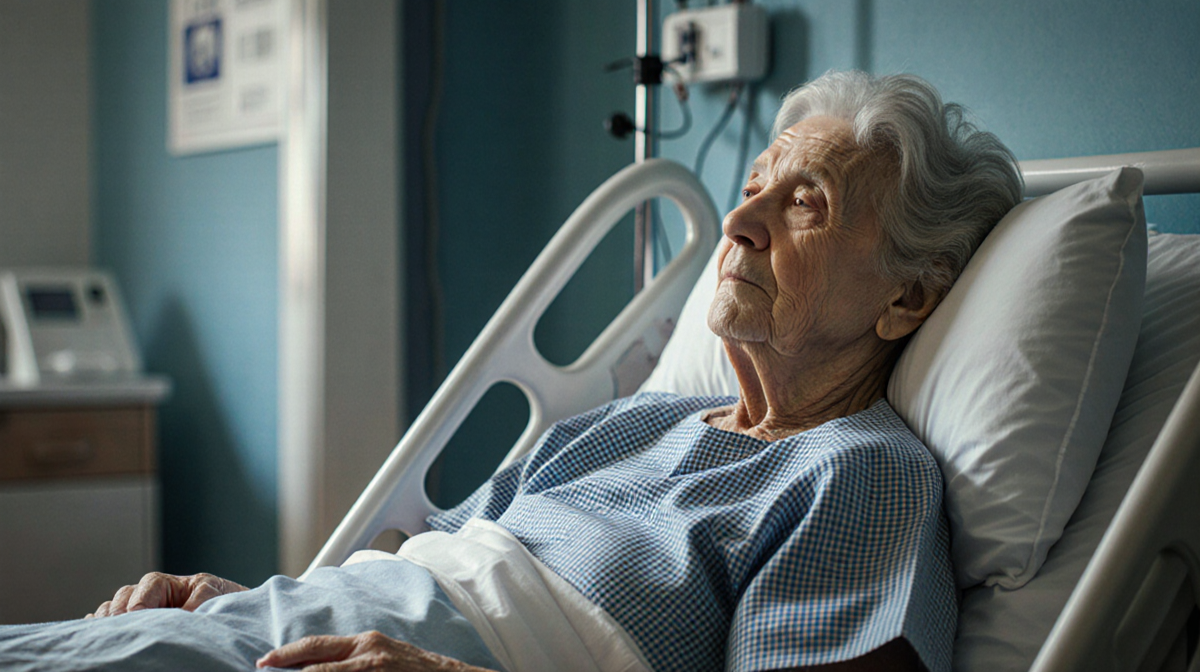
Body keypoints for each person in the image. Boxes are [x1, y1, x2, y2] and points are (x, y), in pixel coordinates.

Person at [0, 70, 1021, 672]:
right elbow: (429, 568)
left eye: (806, 205)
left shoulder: (859, 475)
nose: (741, 223)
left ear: (909, 298)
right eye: (752, 187)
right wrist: (237, 600)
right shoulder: (641, 423)